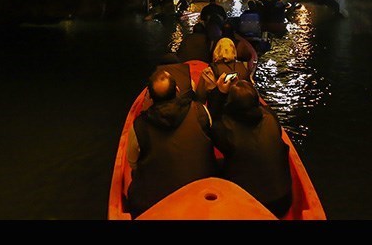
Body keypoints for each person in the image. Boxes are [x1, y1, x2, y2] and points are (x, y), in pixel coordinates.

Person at [125, 71, 217, 218]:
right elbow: (211, 140)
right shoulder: (201, 111)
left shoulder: (139, 127)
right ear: (177, 91)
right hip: (203, 190)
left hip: (156, 200)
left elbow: (133, 163)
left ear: (149, 97)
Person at [207, 78, 293, 218]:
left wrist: (219, 93)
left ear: (231, 105)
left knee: (211, 166)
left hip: (250, 205)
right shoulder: (270, 116)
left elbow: (211, 123)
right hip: (283, 201)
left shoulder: (227, 130)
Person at [195, 37, 252, 103]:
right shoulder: (242, 66)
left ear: (217, 50)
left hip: (219, 105)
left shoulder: (212, 69)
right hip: (241, 104)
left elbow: (200, 96)